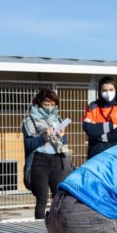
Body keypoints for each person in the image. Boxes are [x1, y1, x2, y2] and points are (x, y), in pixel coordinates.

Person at [22, 88, 73, 219]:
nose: (50, 107)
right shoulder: (30, 120)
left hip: (57, 160)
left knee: (59, 198)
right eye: (46, 104)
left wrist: (62, 136)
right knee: (42, 199)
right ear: (39, 104)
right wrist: (44, 136)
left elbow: (64, 141)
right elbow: (29, 144)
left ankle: (57, 229)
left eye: (52, 105)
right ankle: (39, 231)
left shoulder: (57, 118)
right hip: (39, 161)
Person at [83, 76, 117, 159]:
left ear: (115, 90)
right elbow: (89, 129)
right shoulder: (92, 107)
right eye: (104, 90)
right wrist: (111, 126)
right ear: (99, 91)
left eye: (111, 90)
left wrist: (101, 136)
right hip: (97, 155)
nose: (108, 93)